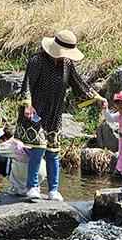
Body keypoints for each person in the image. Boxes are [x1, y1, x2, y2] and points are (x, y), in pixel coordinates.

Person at [20, 29, 106, 200]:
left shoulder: (67, 64)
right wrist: (27, 104)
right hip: (35, 111)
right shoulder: (37, 61)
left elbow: (78, 83)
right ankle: (33, 186)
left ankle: (53, 190)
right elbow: (27, 84)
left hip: (55, 113)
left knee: (53, 151)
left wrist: (97, 97)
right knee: (38, 148)